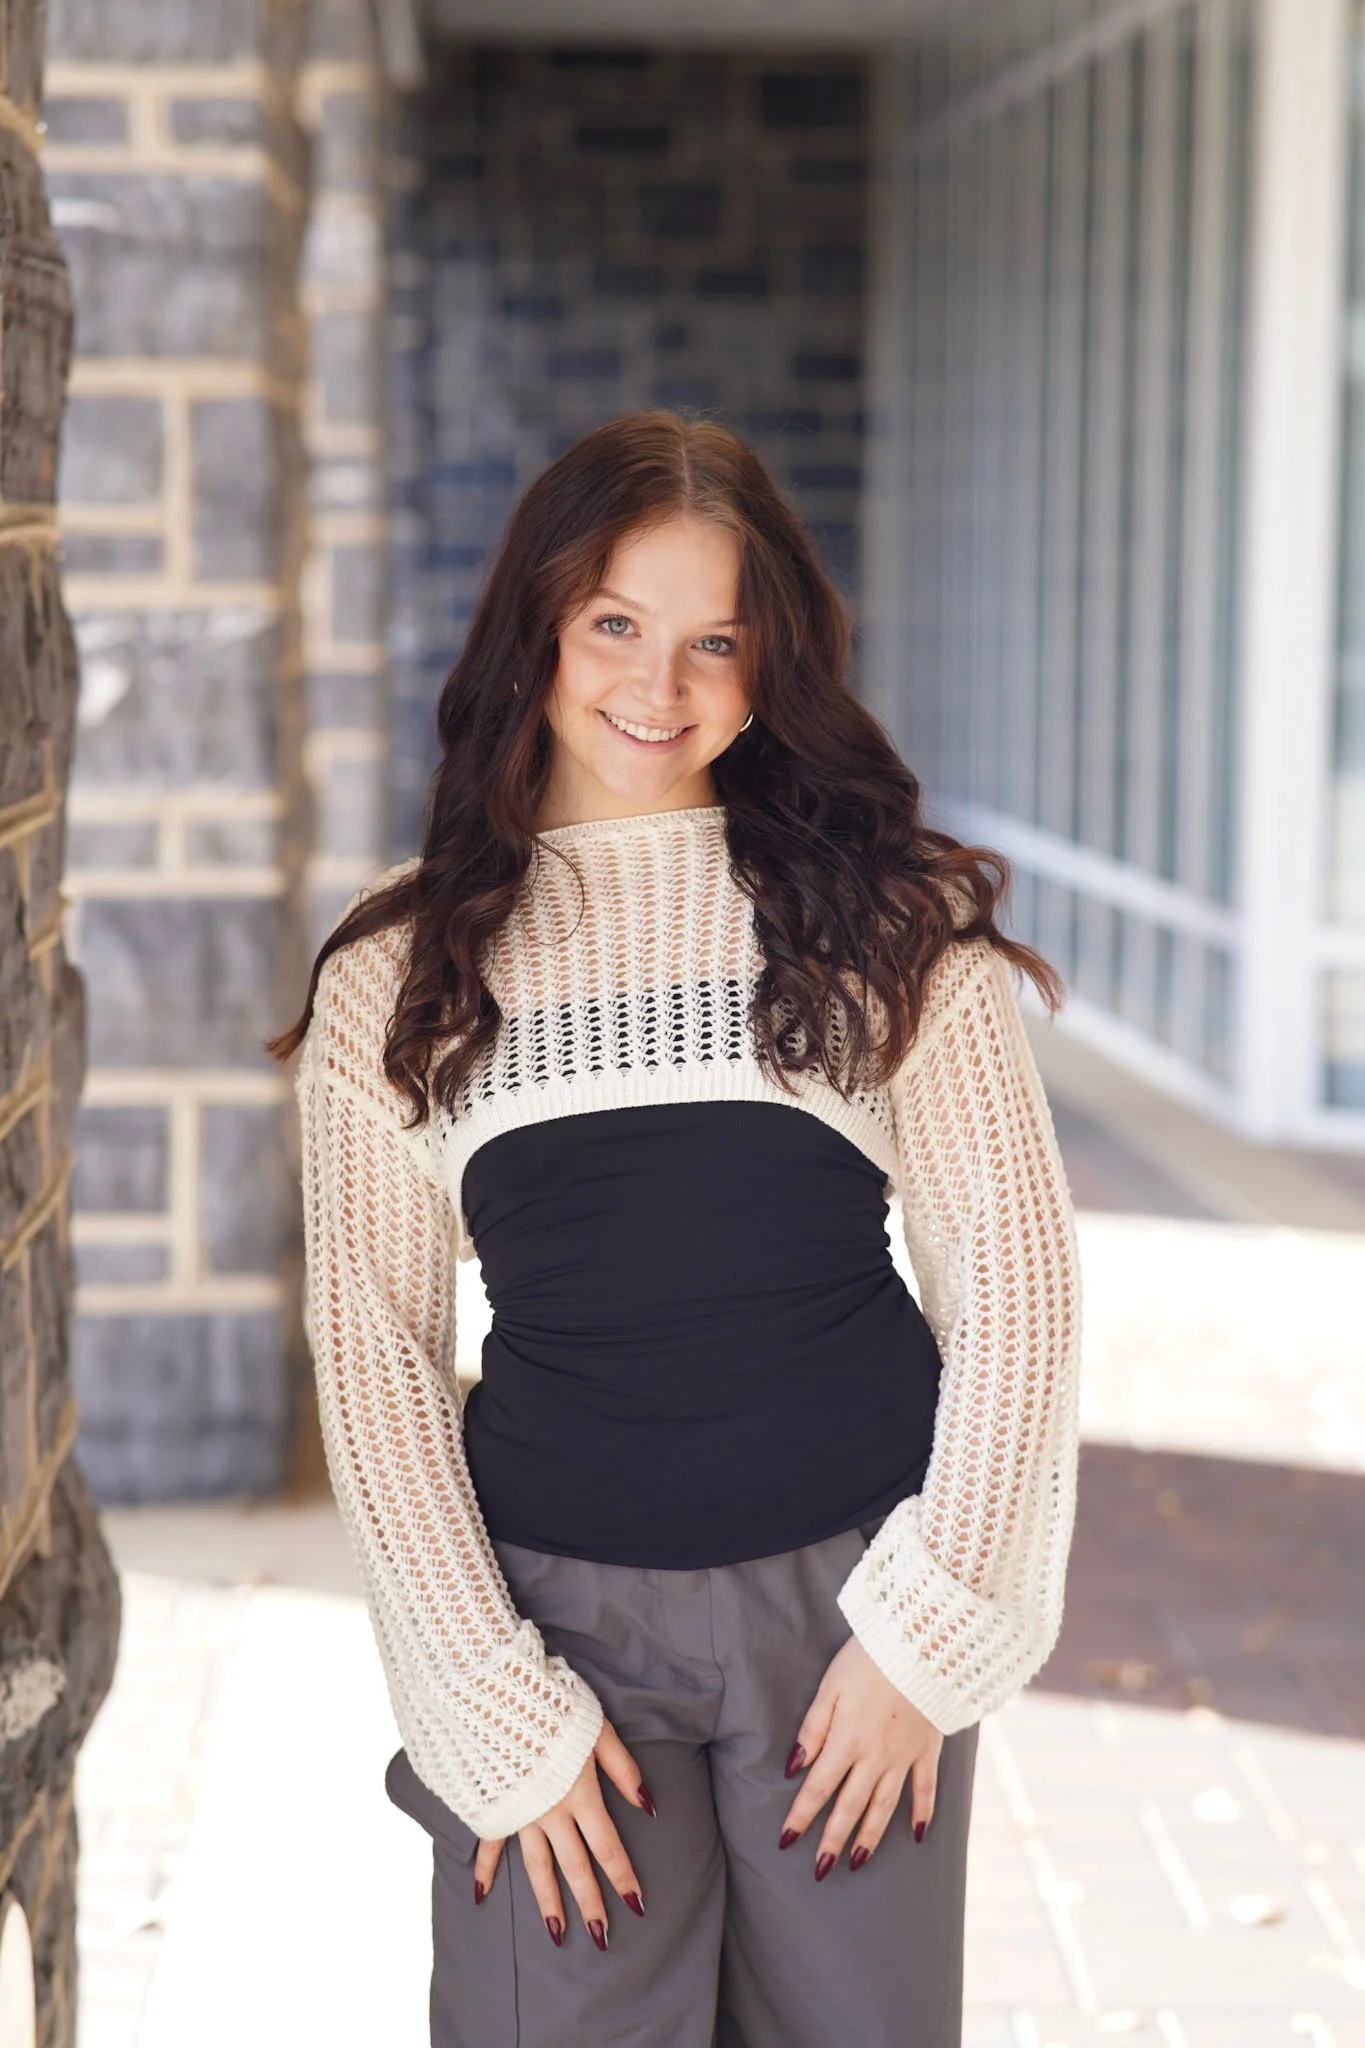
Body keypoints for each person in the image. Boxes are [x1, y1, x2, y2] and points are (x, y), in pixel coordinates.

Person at [270, 410, 1081, 2048]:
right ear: (539, 634)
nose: (661, 684)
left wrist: (931, 1632)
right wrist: (485, 1701)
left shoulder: (888, 923)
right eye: (616, 626)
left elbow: (1018, 1295)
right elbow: (377, 1351)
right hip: (557, 1634)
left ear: (772, 660)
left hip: (854, 1611)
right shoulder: (398, 969)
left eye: (717, 639)